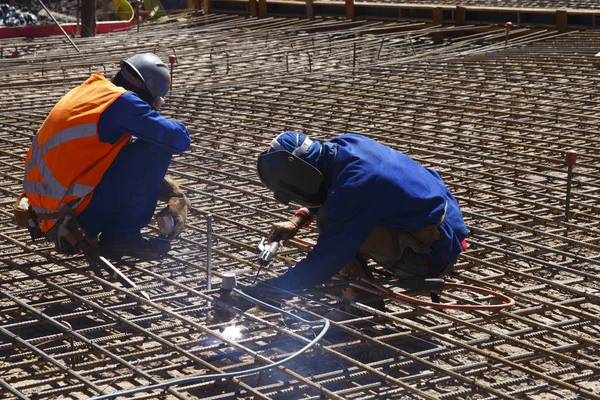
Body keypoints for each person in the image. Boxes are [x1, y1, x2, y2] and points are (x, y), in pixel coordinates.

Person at [255, 131, 468, 297]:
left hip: (432, 255)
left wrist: (276, 287)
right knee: (336, 217)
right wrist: (296, 221)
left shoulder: (354, 189)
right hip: (443, 223)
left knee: (333, 227)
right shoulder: (344, 145)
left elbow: (328, 258)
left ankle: (359, 299)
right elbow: (328, 189)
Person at [22, 53, 191, 260]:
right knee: (158, 147)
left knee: (128, 148)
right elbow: (179, 139)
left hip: (46, 216)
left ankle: (114, 233)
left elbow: (117, 163)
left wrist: (168, 189)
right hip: (71, 219)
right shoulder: (122, 103)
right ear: (146, 91)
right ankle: (122, 236)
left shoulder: (93, 90)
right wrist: (152, 110)